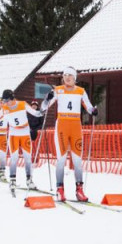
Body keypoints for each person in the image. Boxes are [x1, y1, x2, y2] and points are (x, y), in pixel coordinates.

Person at [41, 67, 98, 202]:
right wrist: (46, 99)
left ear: (75, 78)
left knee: (77, 161)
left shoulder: (80, 91)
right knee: (61, 159)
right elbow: (44, 107)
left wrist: (93, 111)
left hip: (76, 127)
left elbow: (89, 107)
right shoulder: (58, 90)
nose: (67, 77)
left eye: (70, 75)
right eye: (65, 75)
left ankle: (79, 190)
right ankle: (60, 189)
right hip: (62, 126)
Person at [1, 89, 44, 192]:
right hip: (13, 134)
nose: (6, 103)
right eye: (4, 101)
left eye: (7, 100)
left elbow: (36, 113)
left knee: (27, 158)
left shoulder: (22, 104)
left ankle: (29, 180)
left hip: (25, 133)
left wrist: (43, 110)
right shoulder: (4, 108)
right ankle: (12, 180)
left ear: (12, 98)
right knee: (14, 158)